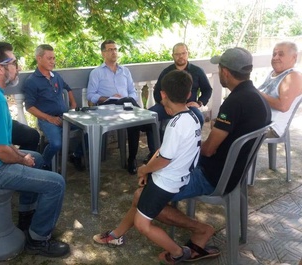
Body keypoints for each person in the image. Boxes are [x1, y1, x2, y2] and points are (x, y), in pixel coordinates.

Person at [93, 47, 271, 264]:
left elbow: (207, 150)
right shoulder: (257, 98)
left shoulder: (235, 103)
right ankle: (117, 234)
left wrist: (154, 165)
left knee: (141, 195)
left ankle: (200, 231)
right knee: (146, 187)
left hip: (214, 175)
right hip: (234, 171)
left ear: (225, 72)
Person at [0, 42, 70, 257]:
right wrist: (21, 159)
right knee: (56, 183)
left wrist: (23, 157)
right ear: (0, 68)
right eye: (14, 63)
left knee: (35, 156)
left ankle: (26, 216)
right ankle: (38, 239)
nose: (17, 67)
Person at [145, 43, 213, 163]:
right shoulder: (167, 72)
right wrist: (166, 104)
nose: (180, 56)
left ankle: (190, 151)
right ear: (173, 55)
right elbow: (157, 92)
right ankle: (155, 152)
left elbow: (207, 89)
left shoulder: (197, 71)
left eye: (183, 53)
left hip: (188, 107)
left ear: (188, 54)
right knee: (151, 118)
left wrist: (199, 103)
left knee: (199, 118)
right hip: (167, 106)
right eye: (177, 54)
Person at [23, 44, 84, 171]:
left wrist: (73, 104)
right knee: (56, 144)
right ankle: (43, 163)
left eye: (54, 58)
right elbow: (29, 107)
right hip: (47, 120)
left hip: (65, 117)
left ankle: (76, 155)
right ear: (39, 59)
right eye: (49, 58)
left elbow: (67, 88)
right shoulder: (32, 81)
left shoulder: (56, 76)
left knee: (89, 129)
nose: (53, 61)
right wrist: (49, 118)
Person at [87, 39, 141, 175]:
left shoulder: (125, 71)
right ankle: (143, 121)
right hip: (107, 106)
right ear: (103, 53)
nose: (114, 52)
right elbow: (91, 95)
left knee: (133, 121)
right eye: (110, 50)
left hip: (126, 106)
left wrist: (127, 100)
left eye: (115, 49)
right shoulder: (96, 72)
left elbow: (132, 92)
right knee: (136, 118)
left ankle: (132, 159)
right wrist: (109, 98)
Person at [257, 41, 302, 138]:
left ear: (294, 57)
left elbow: (283, 106)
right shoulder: (273, 73)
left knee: (226, 128)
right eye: (274, 54)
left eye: (281, 54)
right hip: (258, 120)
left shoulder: (294, 76)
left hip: (270, 127)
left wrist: (256, 93)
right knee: (221, 122)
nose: (275, 57)